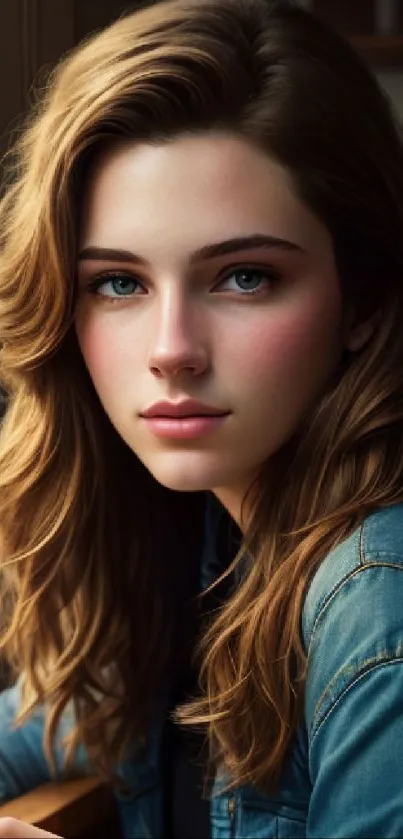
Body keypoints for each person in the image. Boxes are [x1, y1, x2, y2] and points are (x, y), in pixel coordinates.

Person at [1, 0, 403, 836]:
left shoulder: (381, 594)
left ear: (360, 296)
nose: (171, 349)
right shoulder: (202, 547)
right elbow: (47, 728)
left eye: (244, 276)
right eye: (118, 282)